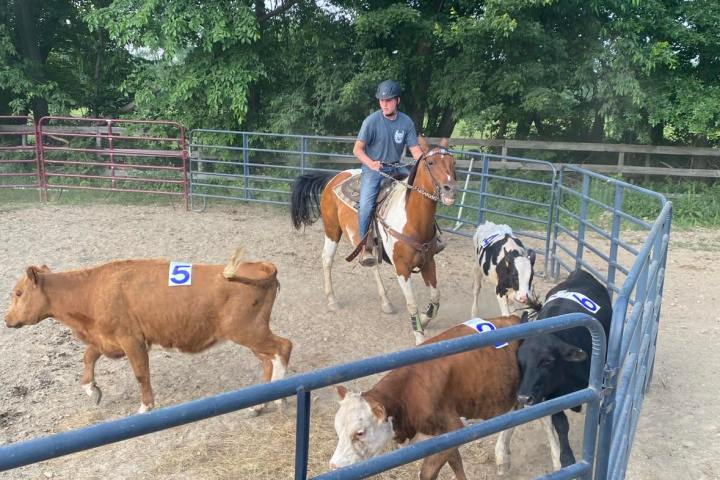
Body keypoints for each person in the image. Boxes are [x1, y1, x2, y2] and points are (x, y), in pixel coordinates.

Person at [353, 80, 423, 267]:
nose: (384, 103)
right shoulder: (371, 122)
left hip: (396, 166)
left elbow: (415, 149)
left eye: (389, 100)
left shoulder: (406, 122)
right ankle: (365, 246)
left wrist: (423, 162)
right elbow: (357, 150)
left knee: (419, 190)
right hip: (373, 169)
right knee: (366, 205)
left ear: (397, 101)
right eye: (382, 100)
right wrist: (371, 164)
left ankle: (428, 236)